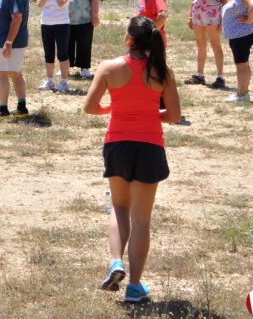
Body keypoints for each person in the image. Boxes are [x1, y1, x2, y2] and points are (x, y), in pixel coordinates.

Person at [83, 16, 181, 304]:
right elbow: (174, 115)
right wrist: (149, 113)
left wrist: (113, 109)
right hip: (150, 146)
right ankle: (134, 287)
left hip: (118, 144)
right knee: (141, 218)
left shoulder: (109, 68)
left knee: (118, 207)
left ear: (128, 39)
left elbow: (89, 107)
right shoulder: (163, 72)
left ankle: (116, 261)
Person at [184, 0, 228, 89]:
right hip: (198, 13)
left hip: (213, 14)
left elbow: (224, 0)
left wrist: (223, 19)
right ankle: (199, 75)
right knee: (200, 44)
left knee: (215, 44)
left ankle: (220, 77)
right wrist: (190, 15)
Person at [0, 0, 29, 117]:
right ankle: (21, 107)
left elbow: (17, 19)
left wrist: (8, 43)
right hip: (12, 42)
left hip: (11, 43)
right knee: (15, 74)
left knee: (2, 74)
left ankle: (3, 108)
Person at [221, 0, 253, 103]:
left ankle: (242, 95)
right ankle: (242, 93)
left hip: (242, 35)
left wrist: (249, 20)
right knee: (242, 64)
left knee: (241, 65)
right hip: (238, 35)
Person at [37, 0, 73, 93]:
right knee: (49, 54)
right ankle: (49, 80)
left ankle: (64, 82)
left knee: (62, 53)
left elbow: (61, 3)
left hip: (62, 24)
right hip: (46, 24)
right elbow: (39, 4)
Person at [65, 0, 100, 80]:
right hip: (65, 20)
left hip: (85, 20)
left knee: (84, 44)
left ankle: (84, 68)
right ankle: (65, 67)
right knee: (66, 44)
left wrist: (95, 16)